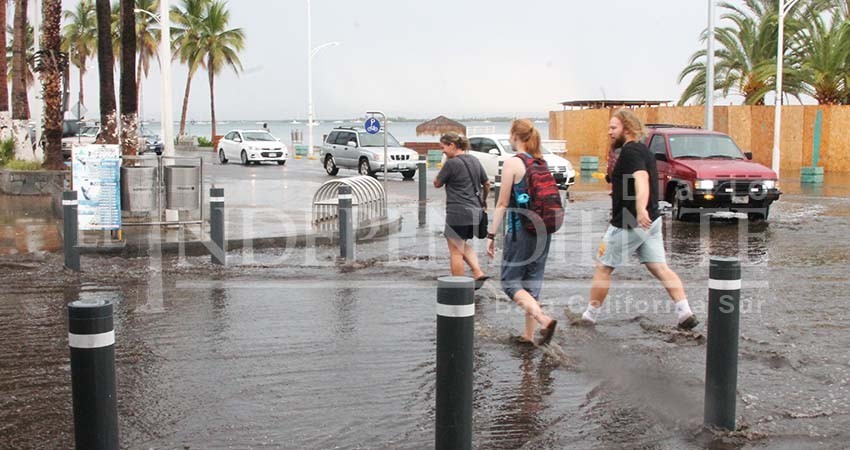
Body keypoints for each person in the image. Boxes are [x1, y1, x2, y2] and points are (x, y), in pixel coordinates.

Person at [580, 109, 698, 329]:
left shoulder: (631, 151)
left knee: (603, 267)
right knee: (660, 267)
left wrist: (640, 208)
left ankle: (588, 317)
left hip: (629, 222)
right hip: (652, 222)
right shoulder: (644, 150)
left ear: (628, 128)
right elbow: (635, 181)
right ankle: (685, 313)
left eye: (613, 128)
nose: (609, 132)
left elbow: (641, 179)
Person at [486, 119, 558, 346]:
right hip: (544, 230)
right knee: (532, 283)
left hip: (521, 232)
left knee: (510, 283)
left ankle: (544, 320)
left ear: (514, 136)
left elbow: (502, 204)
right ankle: (529, 336)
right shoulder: (541, 161)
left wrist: (491, 235)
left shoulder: (513, 163)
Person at [434, 132, 490, 288]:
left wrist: (446, 163)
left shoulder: (451, 163)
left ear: (452, 145)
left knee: (455, 251)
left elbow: (437, 183)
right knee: (462, 244)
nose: (442, 151)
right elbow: (487, 184)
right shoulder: (475, 160)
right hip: (475, 211)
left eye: (443, 147)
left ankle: (459, 289)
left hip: (457, 213)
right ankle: (478, 272)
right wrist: (484, 201)